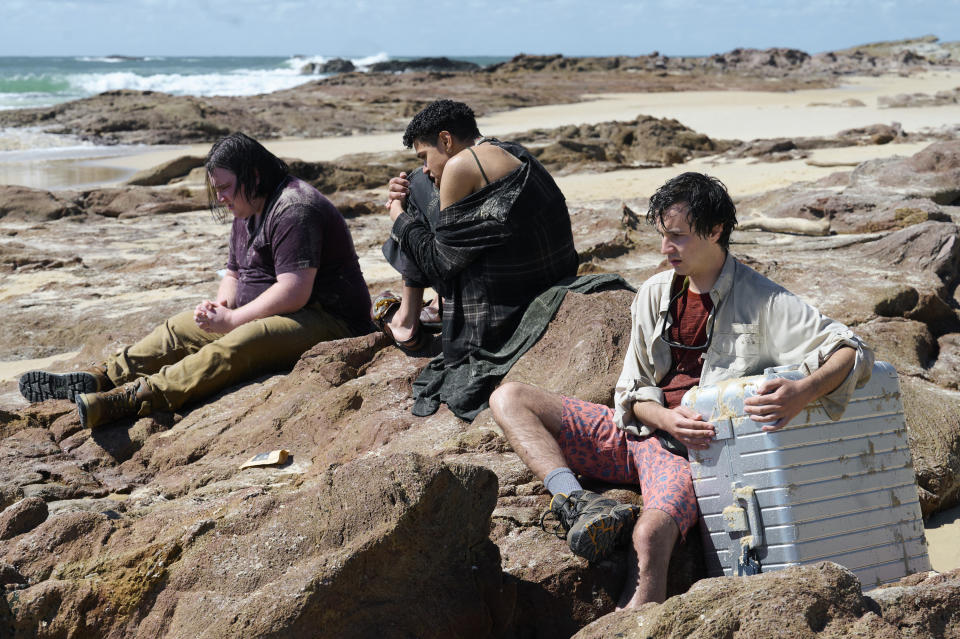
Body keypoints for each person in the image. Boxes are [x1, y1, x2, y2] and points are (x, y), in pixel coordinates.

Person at [489, 172, 874, 609]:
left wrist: (804, 391)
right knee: (510, 397)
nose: (665, 248)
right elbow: (630, 390)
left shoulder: (764, 300)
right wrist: (663, 416)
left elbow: (851, 348)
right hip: (633, 434)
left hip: (686, 456)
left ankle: (637, 623)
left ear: (715, 232)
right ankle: (576, 501)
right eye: (662, 235)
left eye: (677, 237)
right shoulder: (654, 292)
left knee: (649, 538)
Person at [19, 132, 373, 428]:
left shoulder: (295, 208)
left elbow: (295, 290)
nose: (220, 198)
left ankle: (135, 398)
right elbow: (235, 271)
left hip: (330, 318)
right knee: (178, 328)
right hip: (272, 309)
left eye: (225, 188)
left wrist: (233, 321)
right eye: (216, 189)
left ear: (254, 175)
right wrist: (220, 306)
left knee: (240, 341)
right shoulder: (246, 206)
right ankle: (104, 376)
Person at [380, 99, 587, 419]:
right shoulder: (511, 151)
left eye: (425, 156)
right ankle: (430, 309)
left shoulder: (461, 166)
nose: (425, 166)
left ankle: (408, 320)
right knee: (417, 183)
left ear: (446, 140)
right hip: (550, 277)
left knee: (410, 202)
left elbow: (439, 264)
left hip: (506, 310)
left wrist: (398, 215)